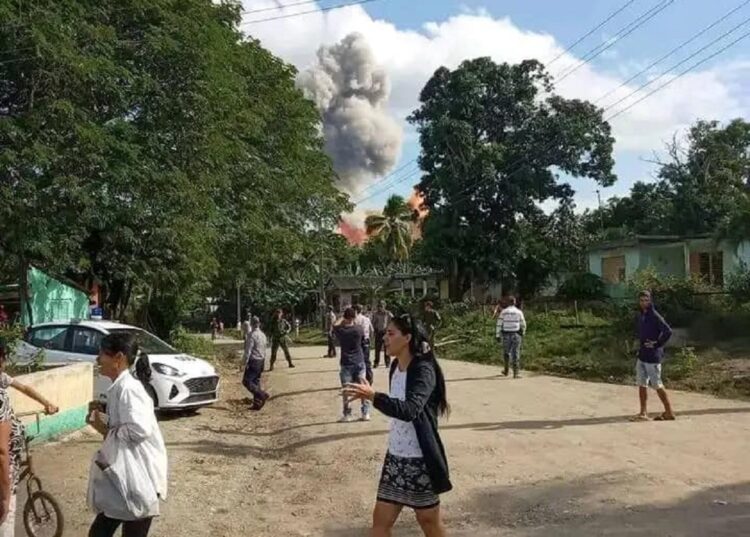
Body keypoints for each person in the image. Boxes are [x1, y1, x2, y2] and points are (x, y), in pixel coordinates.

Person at [343, 315, 451, 537]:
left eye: (391, 334)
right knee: (380, 524)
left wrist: (374, 397)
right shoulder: (395, 366)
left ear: (407, 338)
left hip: (420, 461)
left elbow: (409, 410)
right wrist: (374, 395)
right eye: (385, 333)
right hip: (395, 459)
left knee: (429, 522)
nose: (384, 338)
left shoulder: (423, 370)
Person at [86, 332, 168, 537]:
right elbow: (126, 426)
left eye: (102, 354)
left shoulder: (129, 389)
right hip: (125, 477)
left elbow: (139, 429)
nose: (98, 359)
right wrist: (103, 424)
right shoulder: (119, 387)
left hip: (138, 478)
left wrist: (109, 429)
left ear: (118, 358)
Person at [0, 339, 58, 537]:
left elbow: (24, 388)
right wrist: (6, 494)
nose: (5, 365)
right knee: (5, 516)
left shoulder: (1, 378)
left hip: (9, 458)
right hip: (4, 469)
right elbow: (1, 452)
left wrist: (46, 402)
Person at [632, 291, 675, 422]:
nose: (644, 302)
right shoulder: (642, 315)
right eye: (642, 300)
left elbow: (668, 331)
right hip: (642, 355)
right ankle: (643, 412)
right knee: (641, 384)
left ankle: (669, 411)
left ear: (650, 301)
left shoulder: (655, 315)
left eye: (646, 300)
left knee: (657, 384)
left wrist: (657, 344)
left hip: (653, 357)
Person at [333, 308, 370, 422]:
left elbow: (334, 325)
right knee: (363, 388)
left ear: (345, 317)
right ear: (354, 317)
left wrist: (341, 318)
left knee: (347, 390)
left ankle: (347, 414)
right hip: (359, 360)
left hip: (346, 362)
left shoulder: (342, 331)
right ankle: (365, 413)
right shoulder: (359, 329)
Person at [241, 317, 269, 410]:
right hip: (261, 361)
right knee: (256, 382)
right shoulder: (263, 335)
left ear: (251, 324)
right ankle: (257, 404)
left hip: (253, 361)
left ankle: (262, 395)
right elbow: (265, 349)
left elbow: (248, 351)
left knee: (246, 381)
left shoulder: (251, 335)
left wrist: (243, 363)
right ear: (259, 324)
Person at [495, 296, 527, 378]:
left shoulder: (504, 312)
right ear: (515, 302)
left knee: (506, 353)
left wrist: (498, 335)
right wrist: (523, 332)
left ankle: (506, 371)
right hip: (516, 334)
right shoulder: (519, 312)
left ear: (508, 302)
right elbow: (523, 324)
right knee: (516, 353)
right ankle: (516, 373)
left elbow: (499, 324)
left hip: (506, 334)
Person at [354, 304, 374, 385]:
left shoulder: (355, 320)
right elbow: (372, 330)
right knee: (366, 360)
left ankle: (357, 380)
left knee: (357, 361)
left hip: (357, 341)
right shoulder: (367, 319)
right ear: (361, 310)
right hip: (366, 340)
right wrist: (371, 340)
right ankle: (369, 378)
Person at [372, 301, 394, 369]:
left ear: (384, 306)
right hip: (378, 332)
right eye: (379, 306)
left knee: (387, 348)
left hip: (386, 333)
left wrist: (390, 329)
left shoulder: (388, 314)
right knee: (377, 349)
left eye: (381, 306)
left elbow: (393, 321)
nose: (380, 307)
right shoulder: (376, 314)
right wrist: (374, 329)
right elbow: (373, 322)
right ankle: (376, 363)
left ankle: (387, 363)